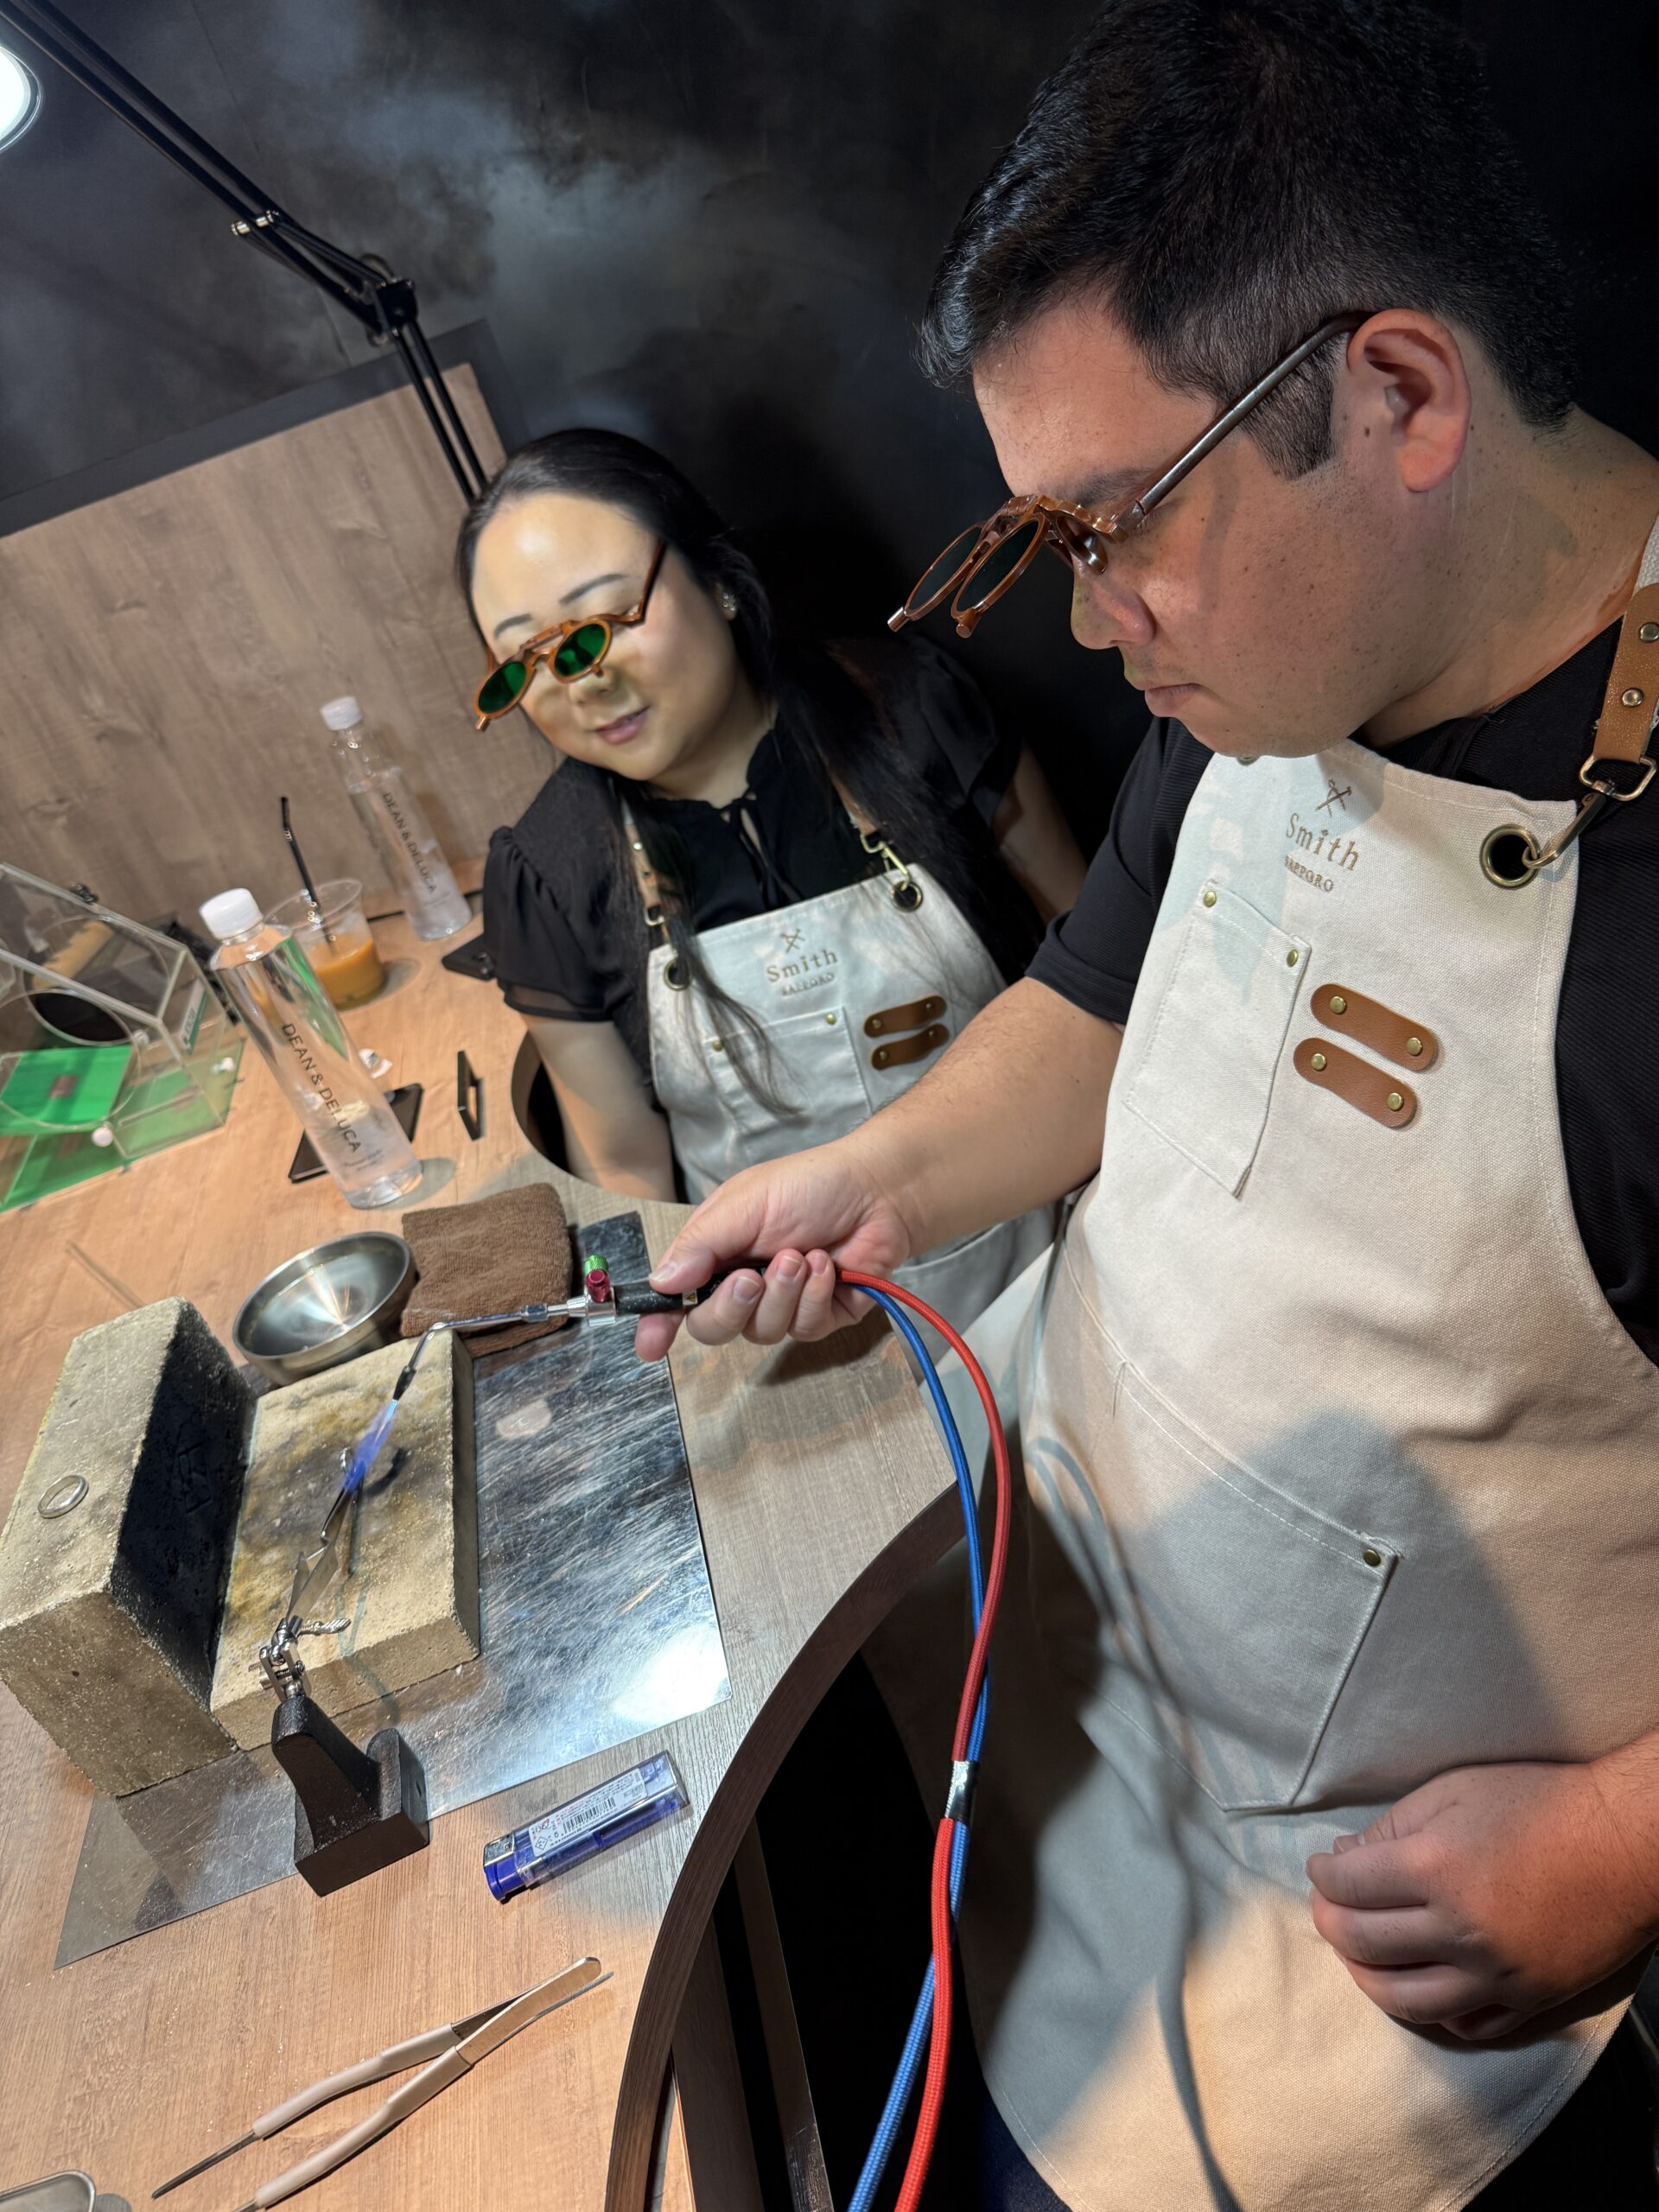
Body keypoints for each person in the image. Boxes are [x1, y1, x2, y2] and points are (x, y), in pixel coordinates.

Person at [629, 2, 1659, 2205]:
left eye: (1108, 528)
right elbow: (1095, 1010)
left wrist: (1616, 1841)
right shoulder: (1282, 658)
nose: (1092, 626)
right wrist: (874, 1175)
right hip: (1038, 1700)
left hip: (1339, 1978)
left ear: (1397, 395)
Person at [462, 429, 1082, 1324]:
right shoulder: (548, 877)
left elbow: (1094, 972)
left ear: (716, 578)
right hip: (787, 1325)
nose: (580, 684)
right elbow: (625, 1170)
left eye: (601, 622)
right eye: (525, 660)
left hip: (1047, 1252)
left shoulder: (911, 712)